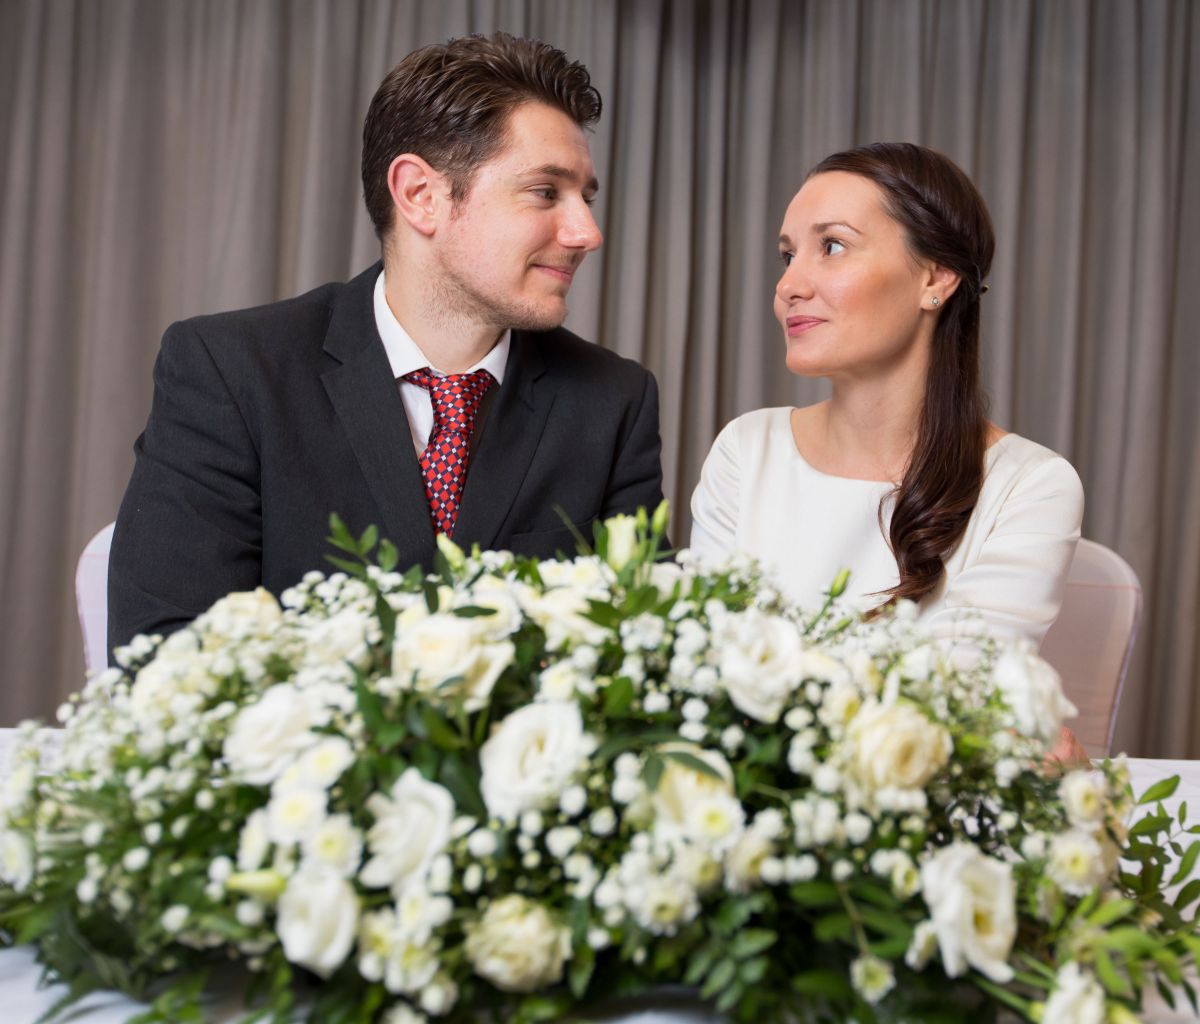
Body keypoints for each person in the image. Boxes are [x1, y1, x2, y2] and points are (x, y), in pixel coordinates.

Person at [109, 32, 665, 652]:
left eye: (585, 198)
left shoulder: (614, 401)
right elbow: (165, 654)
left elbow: (644, 653)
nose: (587, 232)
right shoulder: (233, 371)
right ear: (420, 196)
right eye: (545, 192)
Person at [690, 142, 1084, 655]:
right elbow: (703, 660)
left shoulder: (1030, 487)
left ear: (935, 277)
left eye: (832, 246)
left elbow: (961, 688)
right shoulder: (747, 450)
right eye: (788, 255)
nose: (788, 285)